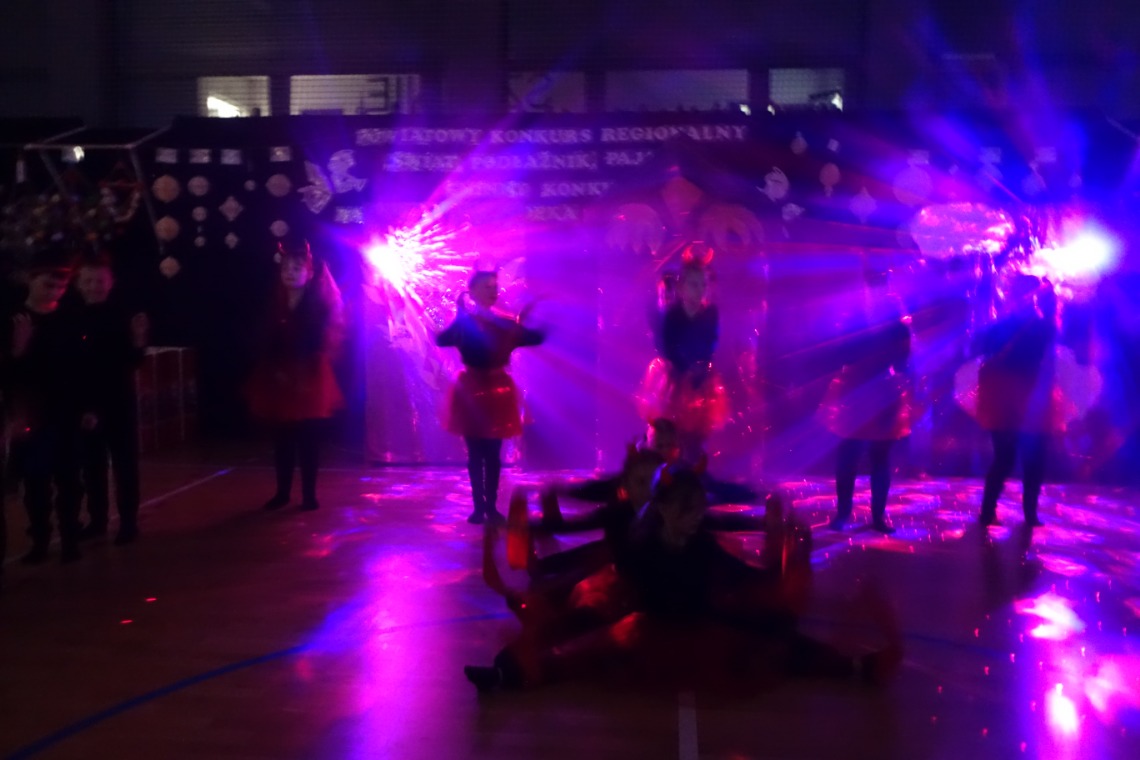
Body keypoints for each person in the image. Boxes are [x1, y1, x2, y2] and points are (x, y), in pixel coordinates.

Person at [436, 269, 544, 524]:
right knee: (475, 453)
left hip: (497, 393)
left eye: (495, 286)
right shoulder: (467, 323)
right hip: (471, 392)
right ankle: (479, 507)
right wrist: (459, 318)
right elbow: (442, 339)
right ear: (472, 292)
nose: (493, 291)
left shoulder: (504, 324)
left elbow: (534, 337)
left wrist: (531, 318)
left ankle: (491, 507)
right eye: (487, 287)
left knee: (493, 454)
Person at [248, 240, 344, 512]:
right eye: (286, 268)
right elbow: (265, 338)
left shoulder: (317, 305)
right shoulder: (274, 303)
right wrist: (276, 367)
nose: (290, 273)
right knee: (282, 439)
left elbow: (319, 340)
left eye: (296, 268)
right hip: (279, 377)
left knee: (308, 439)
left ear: (308, 273)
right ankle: (282, 493)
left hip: (309, 378)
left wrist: (300, 367)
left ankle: (309, 495)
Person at [4, 247, 86, 564]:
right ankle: (39, 539)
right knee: (36, 482)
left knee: (69, 480)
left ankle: (69, 539)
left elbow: (80, 368)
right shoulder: (15, 320)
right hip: (33, 414)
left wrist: (86, 407)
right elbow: (9, 374)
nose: (54, 293)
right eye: (48, 285)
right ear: (31, 280)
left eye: (60, 287)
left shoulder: (68, 319)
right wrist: (18, 349)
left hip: (66, 412)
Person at [821, 267, 913, 534]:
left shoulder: (890, 321)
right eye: (874, 282)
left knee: (874, 455)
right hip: (861, 389)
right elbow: (841, 353)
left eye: (879, 282)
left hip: (878, 389)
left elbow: (902, 358)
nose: (875, 289)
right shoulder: (861, 318)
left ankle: (871, 515)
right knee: (854, 454)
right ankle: (850, 514)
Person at [69, 252, 148, 545]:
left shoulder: (121, 315)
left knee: (125, 463)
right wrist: (83, 406)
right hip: (85, 404)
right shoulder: (72, 317)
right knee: (93, 465)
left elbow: (131, 361)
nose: (94, 287)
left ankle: (128, 521)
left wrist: (138, 341)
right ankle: (98, 519)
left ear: (110, 282)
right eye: (88, 281)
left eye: (100, 281)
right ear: (78, 283)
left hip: (118, 401)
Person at [976, 273, 1056, 528]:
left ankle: (988, 512)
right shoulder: (1042, 325)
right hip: (1030, 397)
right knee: (1031, 459)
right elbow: (1047, 358)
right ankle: (1029, 514)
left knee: (1005, 458)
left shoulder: (1002, 324)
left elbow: (982, 348)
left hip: (1005, 397)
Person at [638, 252, 729, 463]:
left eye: (703, 284)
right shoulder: (673, 314)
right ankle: (660, 458)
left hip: (700, 376)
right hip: (676, 375)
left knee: (698, 426)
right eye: (694, 285)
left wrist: (701, 366)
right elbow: (667, 345)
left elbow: (712, 341)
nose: (700, 290)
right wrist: (682, 368)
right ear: (681, 288)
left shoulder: (711, 313)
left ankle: (693, 461)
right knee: (670, 423)